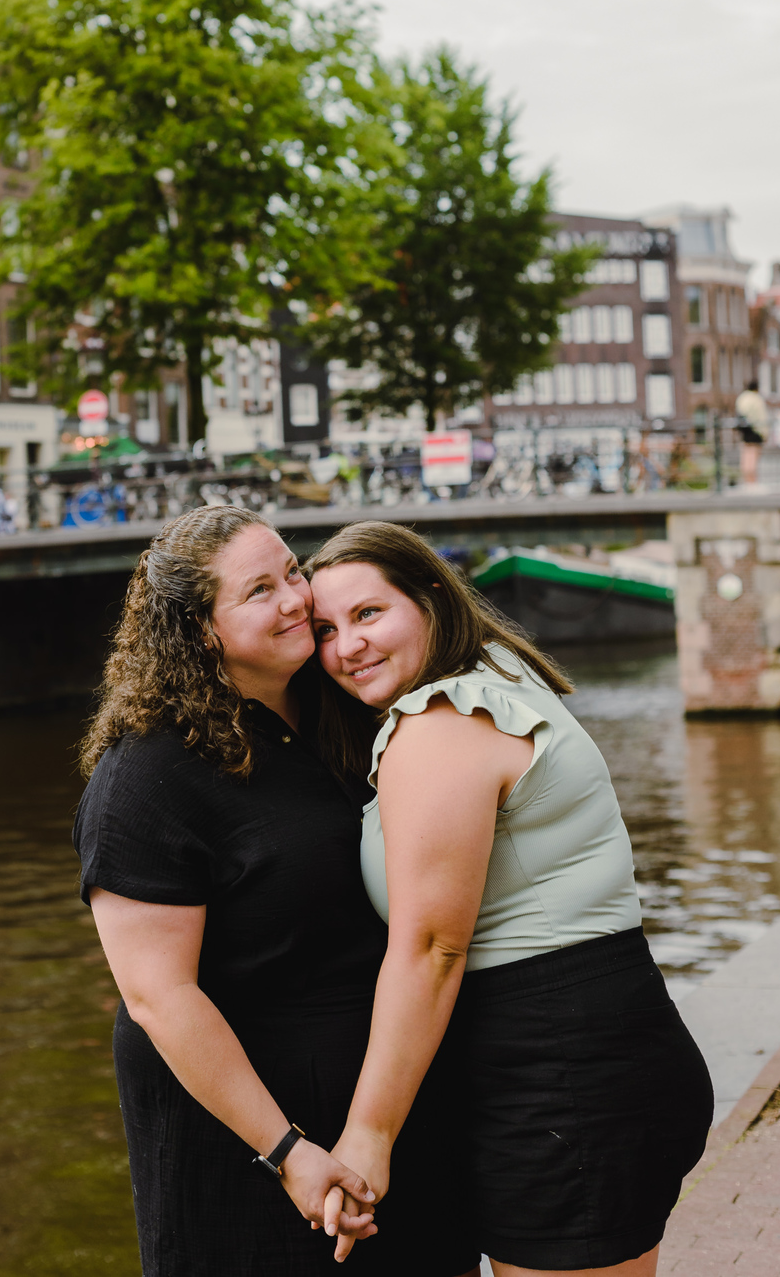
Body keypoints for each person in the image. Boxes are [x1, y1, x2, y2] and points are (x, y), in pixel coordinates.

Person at [73, 506, 479, 1277]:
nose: (297, 598)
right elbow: (159, 996)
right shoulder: (148, 776)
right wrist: (287, 1151)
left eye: (292, 570)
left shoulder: (344, 709)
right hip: (251, 1144)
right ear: (200, 633)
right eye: (260, 590)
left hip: (393, 1108)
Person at [307, 522, 713, 1276]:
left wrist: (369, 1133)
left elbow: (433, 947)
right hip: (596, 1045)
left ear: (432, 597)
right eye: (325, 630)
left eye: (368, 613)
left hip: (558, 1069)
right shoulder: (498, 674)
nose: (348, 646)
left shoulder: (443, 723)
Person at [734, 379, 771, 485]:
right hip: (756, 431)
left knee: (746, 456)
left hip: (745, 431)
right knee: (754, 456)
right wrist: (765, 433)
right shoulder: (757, 399)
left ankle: (747, 480)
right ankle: (753, 481)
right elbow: (762, 417)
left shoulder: (742, 397)